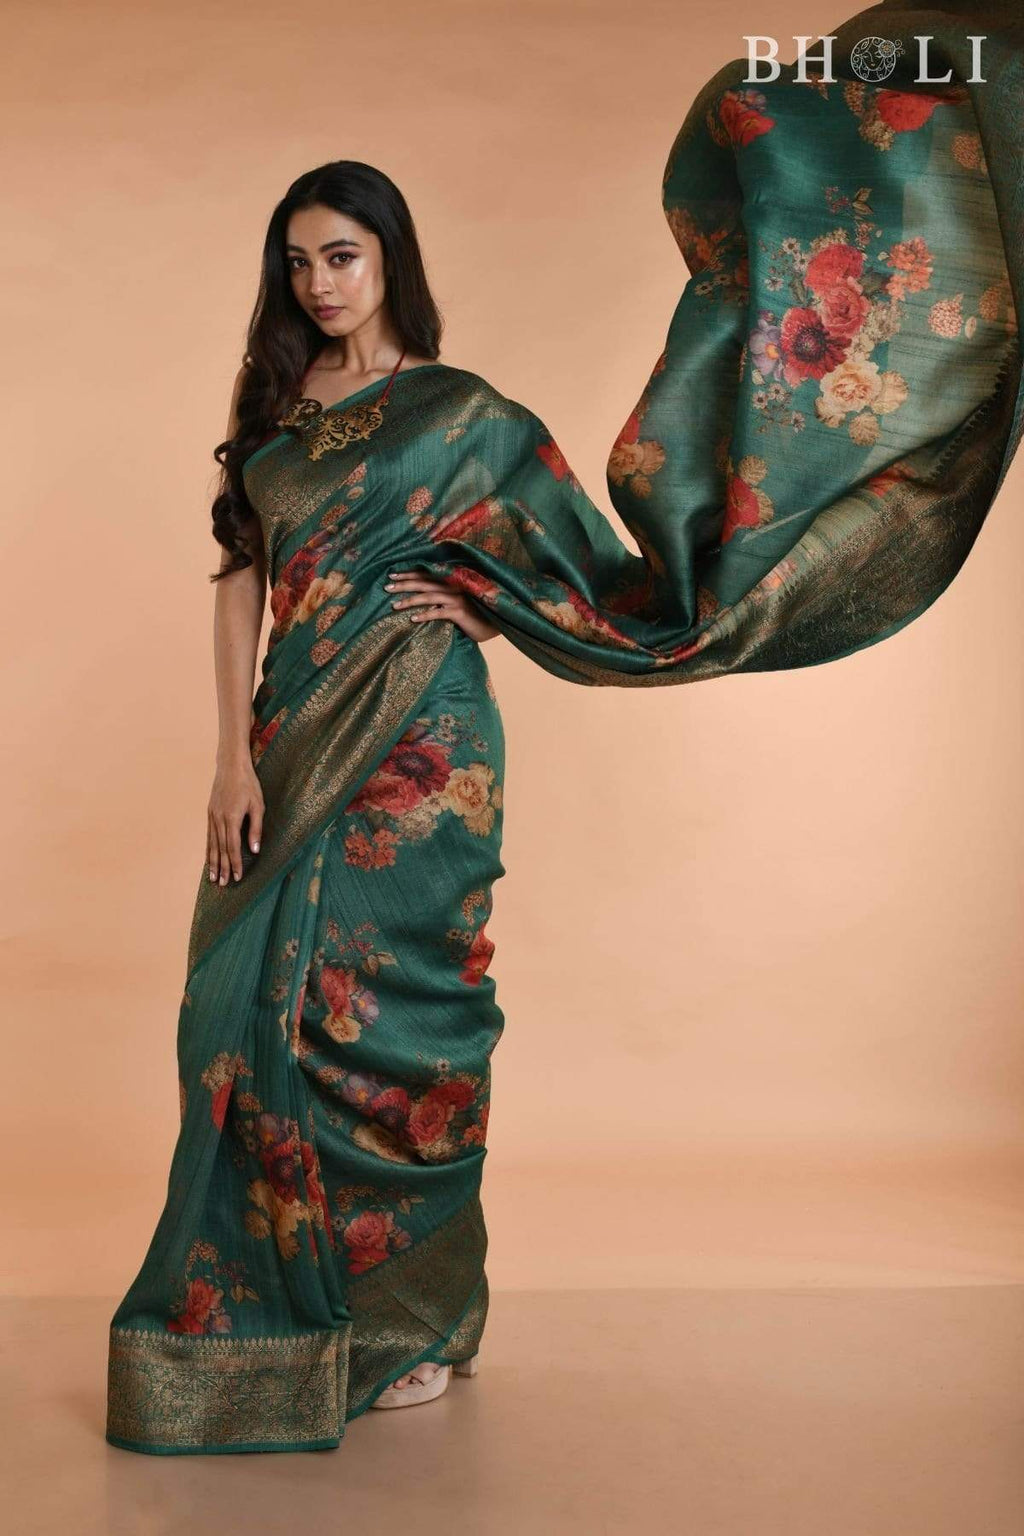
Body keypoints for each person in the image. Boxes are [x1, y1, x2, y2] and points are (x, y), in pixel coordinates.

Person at [105, 0, 1022, 1455]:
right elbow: (238, 582)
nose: (319, 283)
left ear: (390, 259)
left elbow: (576, 570)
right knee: (245, 1014)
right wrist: (228, 758)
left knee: (403, 1019)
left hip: (425, 751)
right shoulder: (275, 418)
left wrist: (484, 610)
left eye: (341, 254)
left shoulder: (465, 412)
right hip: (286, 741)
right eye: (298, 261)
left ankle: (416, 1318)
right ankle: (284, 1317)